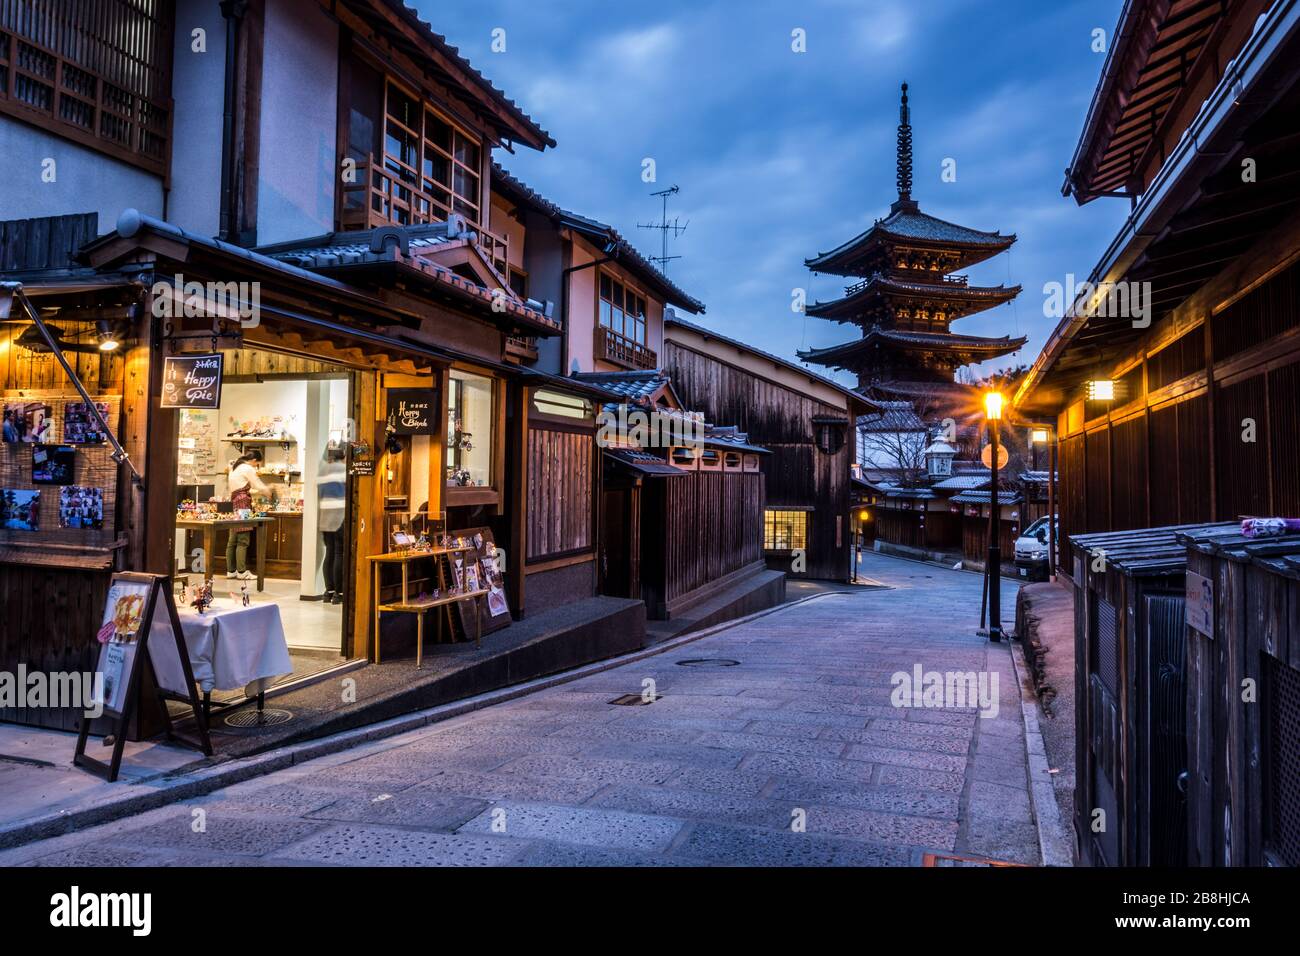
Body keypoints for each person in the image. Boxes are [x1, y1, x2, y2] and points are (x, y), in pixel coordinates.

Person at [226, 449, 270, 580]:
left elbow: (241, 486)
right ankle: (241, 571)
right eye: (257, 464)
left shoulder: (235, 466)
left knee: (232, 540)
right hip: (243, 504)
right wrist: (267, 491)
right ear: (254, 461)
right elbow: (257, 484)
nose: (256, 467)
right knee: (243, 539)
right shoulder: (247, 468)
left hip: (234, 502)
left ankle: (231, 570)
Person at [317, 443, 347, 604]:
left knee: (329, 552)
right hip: (340, 517)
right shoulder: (343, 470)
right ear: (343, 455)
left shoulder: (322, 471)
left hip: (325, 516)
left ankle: (328, 592)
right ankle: (339, 593)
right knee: (339, 553)